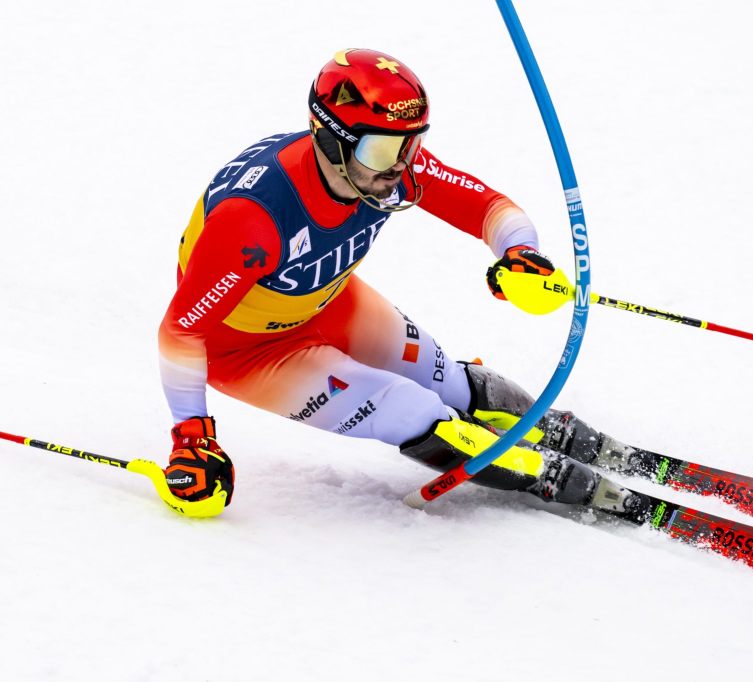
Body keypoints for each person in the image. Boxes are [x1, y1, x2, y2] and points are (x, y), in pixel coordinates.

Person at [158, 49, 631, 514]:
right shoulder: (251, 222)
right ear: (331, 140)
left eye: (411, 144)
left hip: (327, 303)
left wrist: (520, 252)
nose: (400, 165)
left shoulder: (382, 168)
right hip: (246, 352)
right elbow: (181, 332)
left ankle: (545, 426)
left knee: (444, 378)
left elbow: (486, 207)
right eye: (384, 148)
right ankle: (545, 476)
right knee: (411, 409)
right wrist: (192, 438)